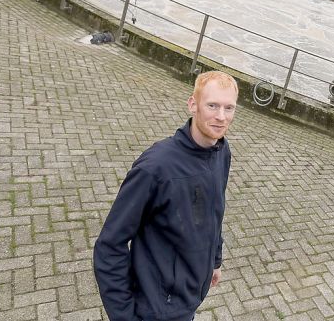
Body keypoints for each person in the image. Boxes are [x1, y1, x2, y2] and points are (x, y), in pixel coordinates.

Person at [94, 71, 237, 321]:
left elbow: (215, 213)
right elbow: (109, 245)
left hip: (189, 298)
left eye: (229, 108)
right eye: (212, 105)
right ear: (193, 104)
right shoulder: (155, 168)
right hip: (156, 309)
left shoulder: (221, 152)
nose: (221, 117)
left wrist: (215, 260)